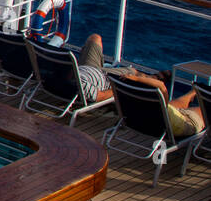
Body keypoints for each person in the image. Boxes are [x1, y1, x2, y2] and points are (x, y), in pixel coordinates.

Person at [75, 34, 203, 133]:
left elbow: (161, 89)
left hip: (97, 72)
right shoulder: (158, 106)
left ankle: (191, 93)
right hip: (169, 122)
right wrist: (129, 82)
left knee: (172, 106)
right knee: (201, 111)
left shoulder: (65, 73)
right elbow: (162, 87)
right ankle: (191, 92)